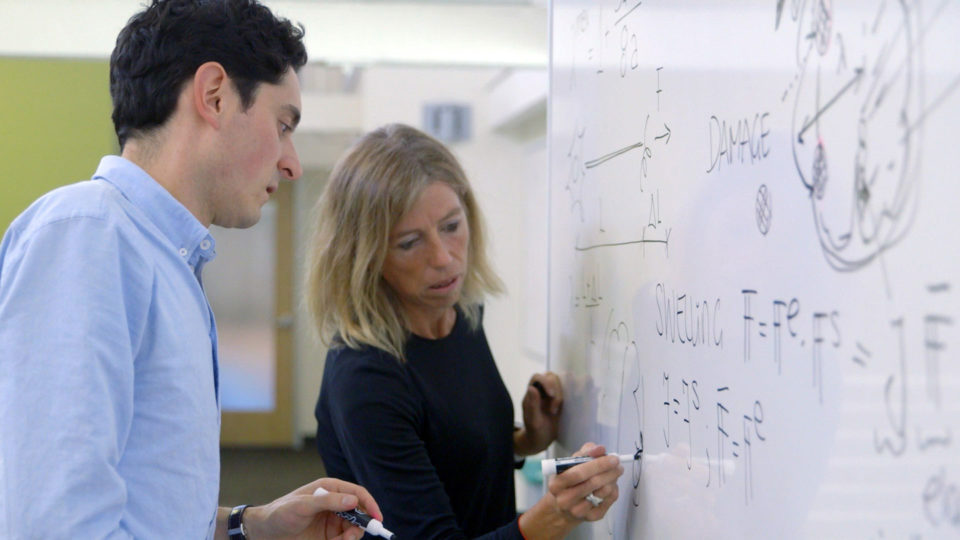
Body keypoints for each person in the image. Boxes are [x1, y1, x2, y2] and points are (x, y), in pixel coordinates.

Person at [0, 1, 382, 538]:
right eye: (283, 124)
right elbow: (57, 525)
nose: (292, 161)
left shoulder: (162, 258)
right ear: (215, 95)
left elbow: (147, 511)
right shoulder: (87, 235)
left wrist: (251, 525)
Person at [306, 123, 624, 539]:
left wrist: (526, 439)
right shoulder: (367, 377)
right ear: (364, 256)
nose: (443, 258)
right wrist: (556, 515)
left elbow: (447, 455)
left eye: (452, 226)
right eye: (409, 243)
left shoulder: (461, 313)